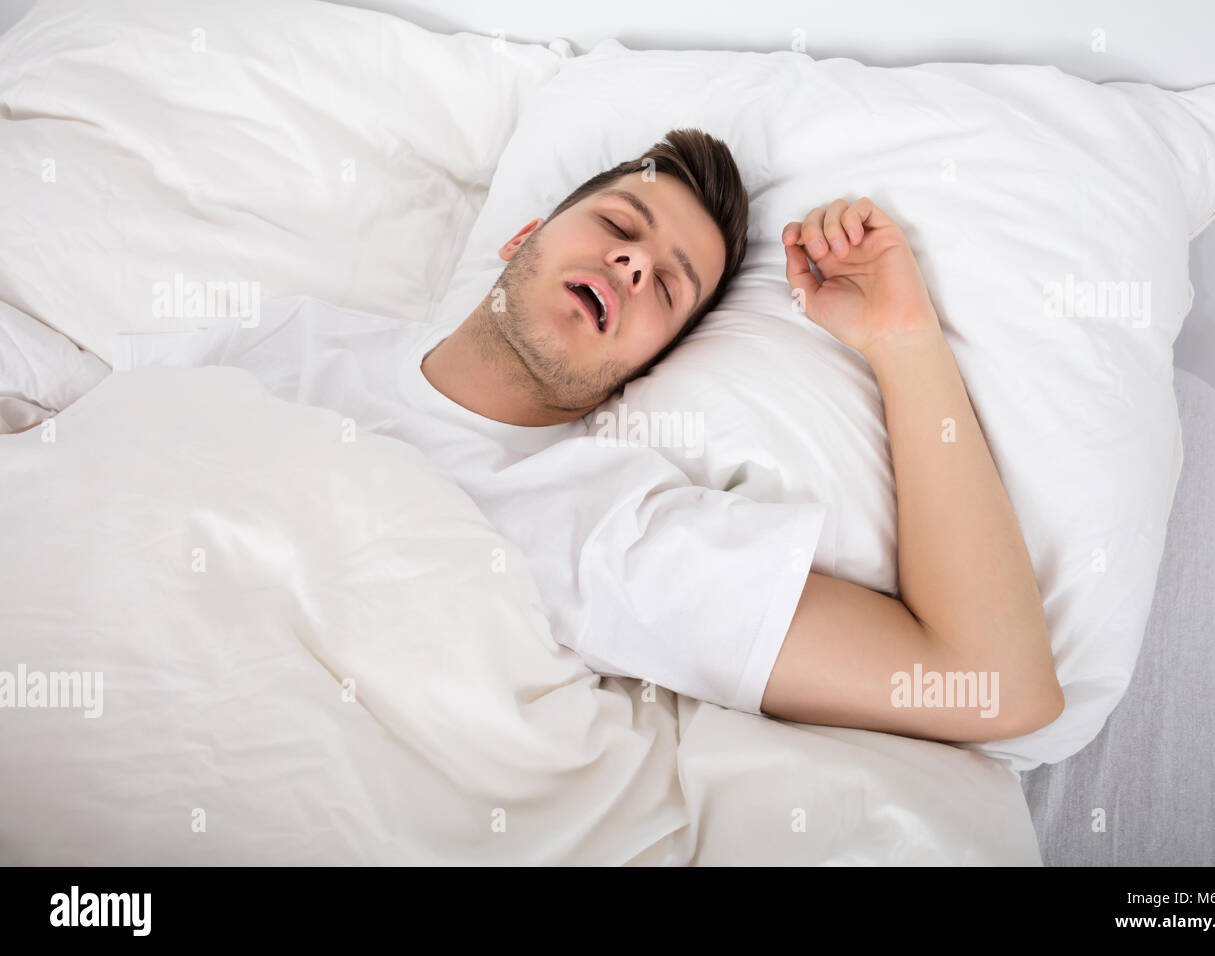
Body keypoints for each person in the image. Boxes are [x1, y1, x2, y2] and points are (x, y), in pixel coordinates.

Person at [80, 128, 1066, 743]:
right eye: (618, 225)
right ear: (521, 239)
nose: (635, 261)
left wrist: (901, 338)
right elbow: (64, 439)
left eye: (670, 284)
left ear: (645, 366)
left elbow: (995, 681)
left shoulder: (604, 522)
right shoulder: (285, 338)